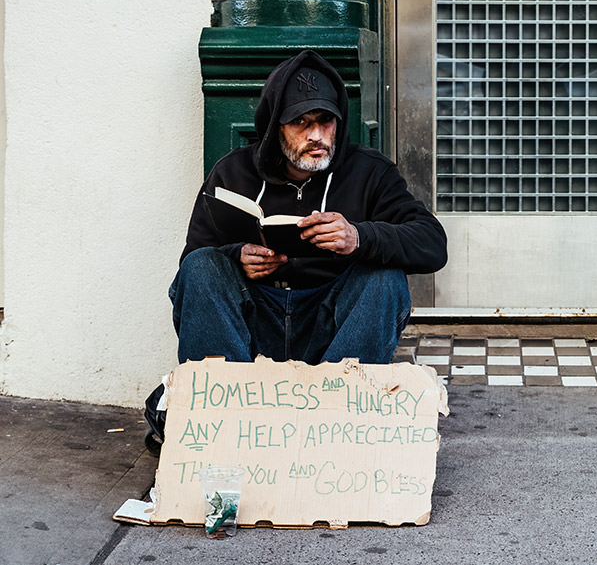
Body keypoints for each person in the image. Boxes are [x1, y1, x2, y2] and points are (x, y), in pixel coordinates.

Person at [145, 49, 446, 452]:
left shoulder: (369, 172)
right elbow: (192, 266)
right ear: (275, 126)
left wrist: (360, 238)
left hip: (334, 333)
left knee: (385, 277)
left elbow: (432, 244)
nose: (316, 136)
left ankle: (333, 425)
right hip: (253, 331)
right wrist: (237, 257)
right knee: (202, 268)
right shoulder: (232, 173)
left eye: (325, 121)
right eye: (300, 123)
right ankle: (224, 426)